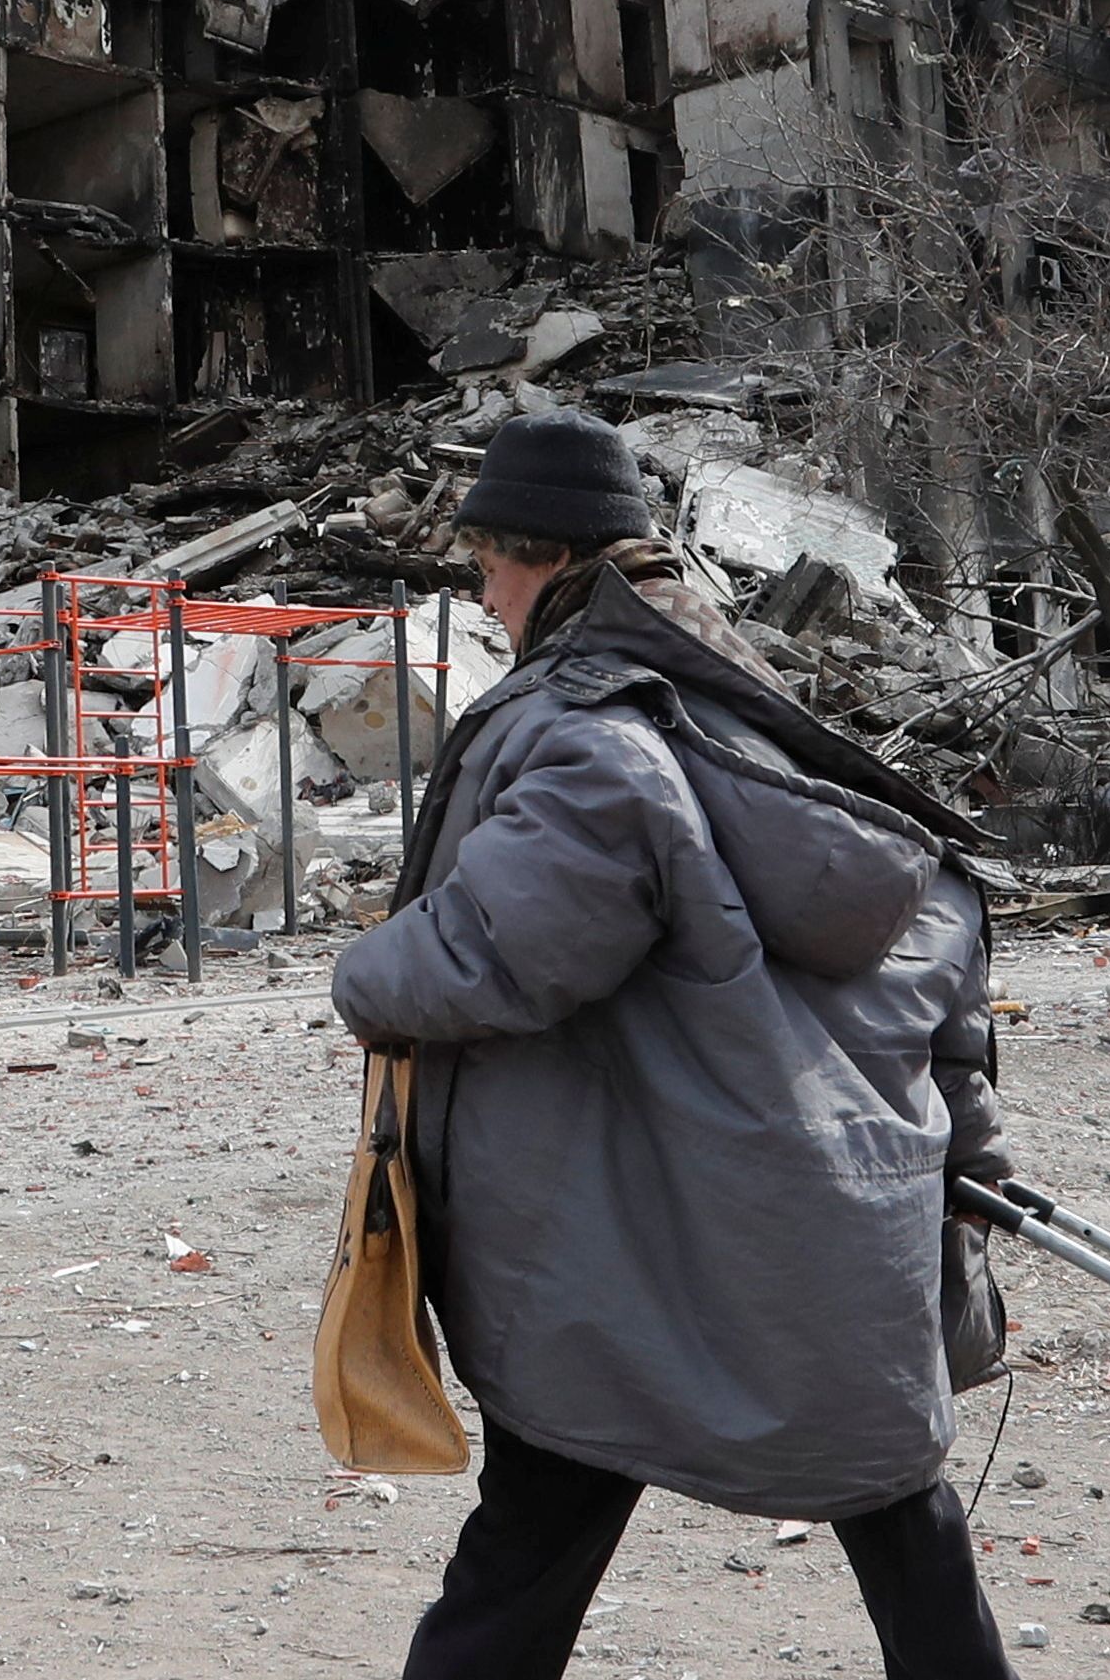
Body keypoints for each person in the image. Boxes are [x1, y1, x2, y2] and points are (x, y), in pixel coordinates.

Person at [334, 409, 1019, 1680]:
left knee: (530, 1535)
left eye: (486, 565)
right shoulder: (732, 703)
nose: (482, 596)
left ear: (540, 558)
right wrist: (969, 1145)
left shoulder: (587, 727)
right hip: (808, 1205)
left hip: (633, 1230)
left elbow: (510, 949)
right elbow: (914, 952)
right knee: (889, 1495)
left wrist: (363, 970)